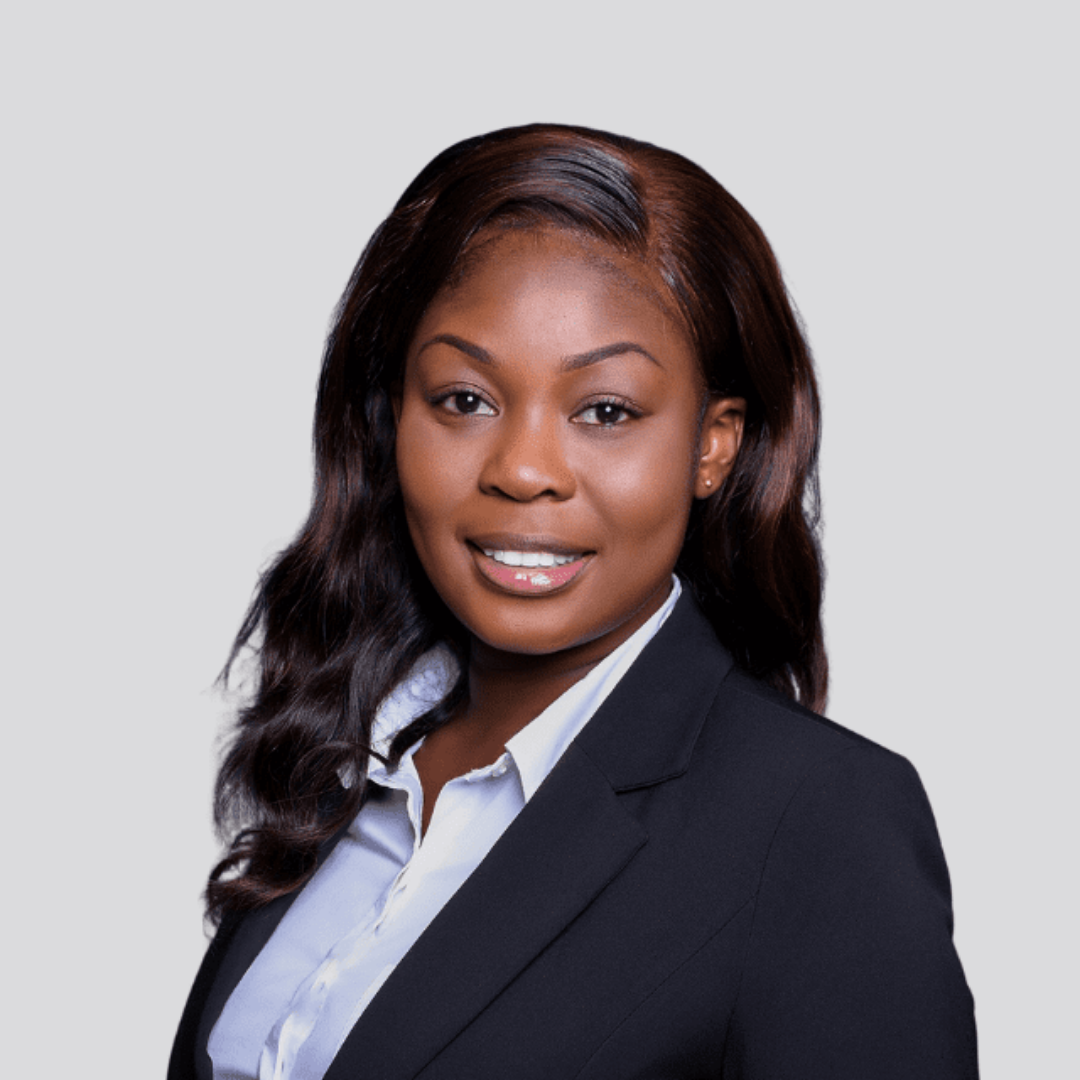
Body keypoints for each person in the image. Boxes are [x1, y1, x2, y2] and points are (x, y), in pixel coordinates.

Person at [169, 124, 978, 1079]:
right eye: (465, 400)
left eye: (605, 412)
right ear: (393, 413)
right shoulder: (347, 758)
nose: (522, 471)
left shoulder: (818, 822)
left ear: (713, 445)